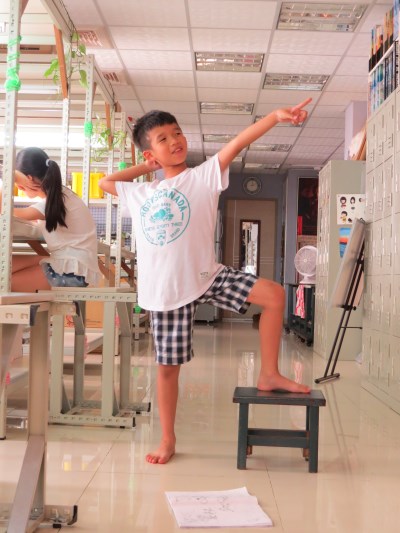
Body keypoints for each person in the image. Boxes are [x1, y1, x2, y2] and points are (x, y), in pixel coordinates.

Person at [99, 100, 312, 465]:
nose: (175, 141)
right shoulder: (141, 193)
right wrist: (146, 167)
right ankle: (167, 439)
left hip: (206, 276)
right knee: (168, 369)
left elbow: (238, 142)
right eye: (163, 139)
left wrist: (275, 117)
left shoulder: (202, 176)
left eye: (177, 133)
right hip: (165, 290)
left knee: (275, 295)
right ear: (151, 153)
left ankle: (269, 373)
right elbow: (106, 182)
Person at [2, 147, 100, 291]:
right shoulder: (60, 196)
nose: (18, 187)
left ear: (29, 178)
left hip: (71, 274)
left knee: (3, 283)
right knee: (5, 266)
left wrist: (10, 179)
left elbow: (4, 208)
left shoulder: (56, 200)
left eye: (18, 183)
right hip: (70, 268)